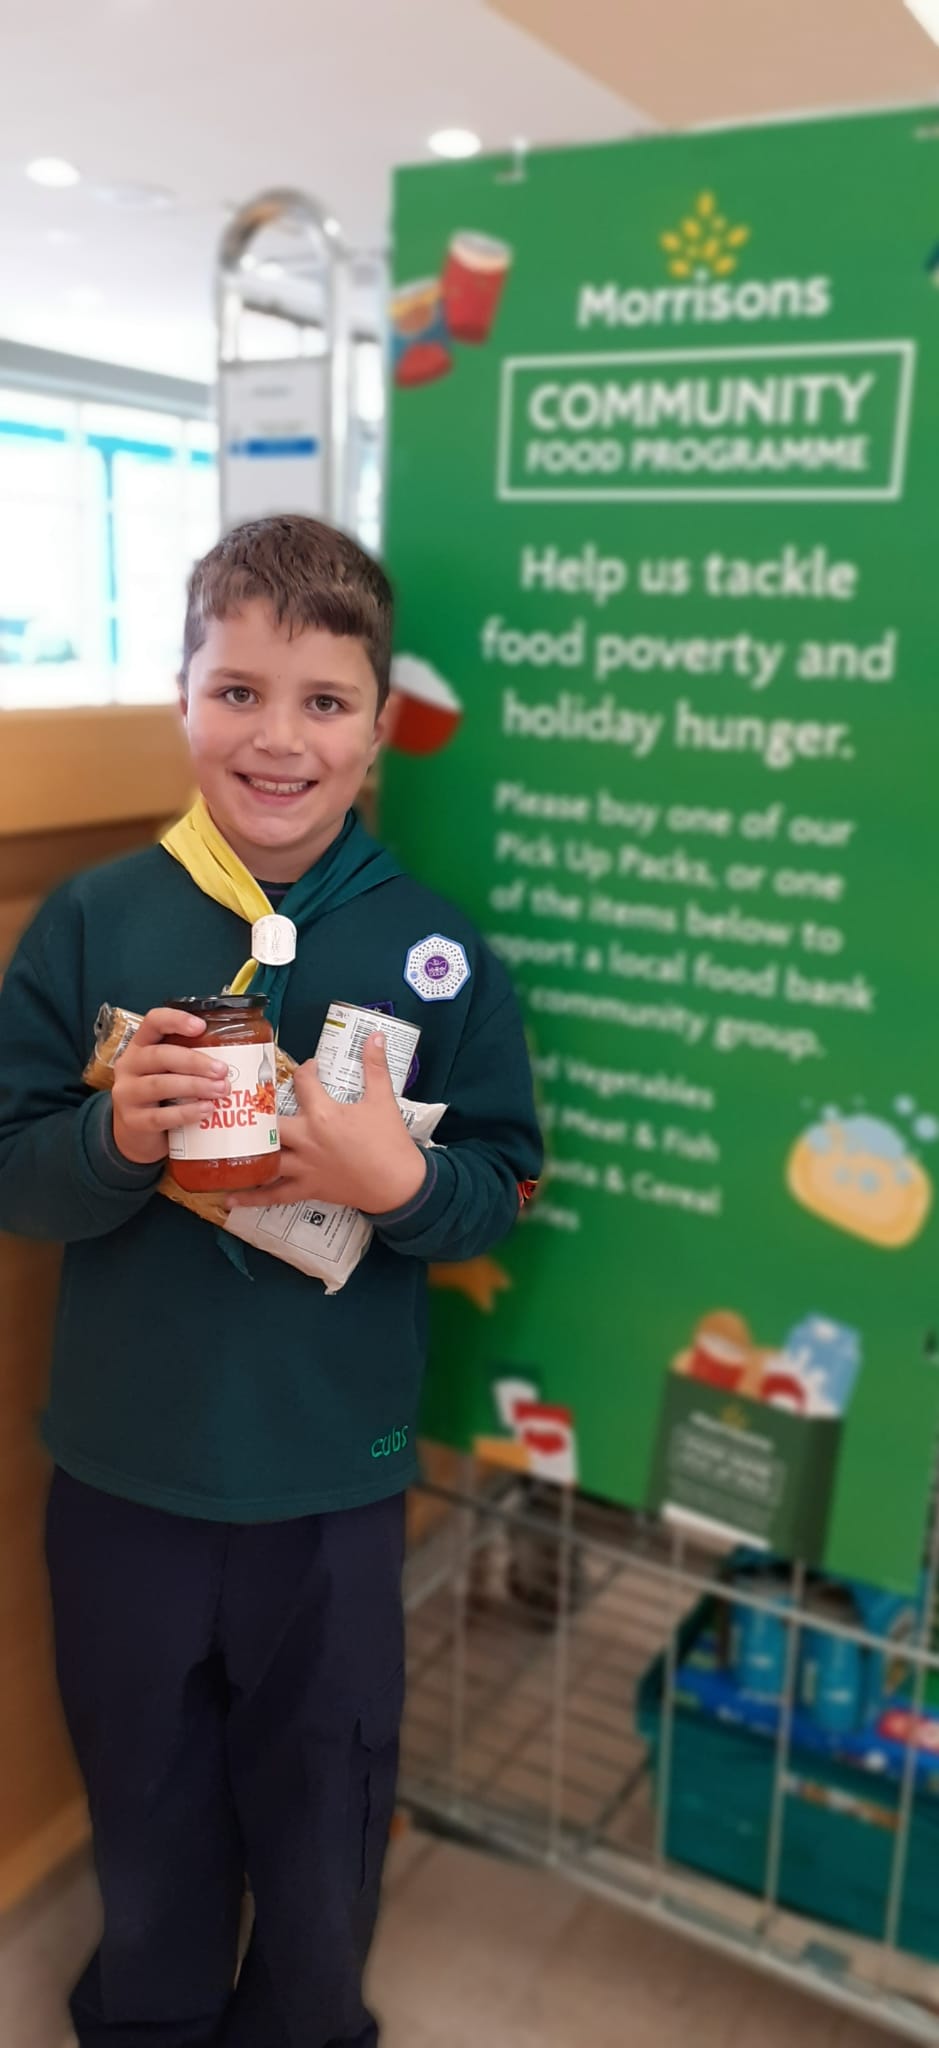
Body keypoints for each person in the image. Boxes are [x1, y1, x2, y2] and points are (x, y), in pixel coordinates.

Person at [0, 515, 543, 2048]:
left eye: (321, 700)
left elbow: (501, 1183)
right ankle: (153, 2016)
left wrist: (404, 1187)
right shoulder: (98, 918)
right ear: (180, 700)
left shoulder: (441, 951)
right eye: (235, 690)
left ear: (379, 730)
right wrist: (111, 1135)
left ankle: (305, 2024)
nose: (277, 736)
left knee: (324, 1805)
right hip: (126, 1473)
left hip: (333, 1483)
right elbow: (9, 1161)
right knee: (145, 1793)